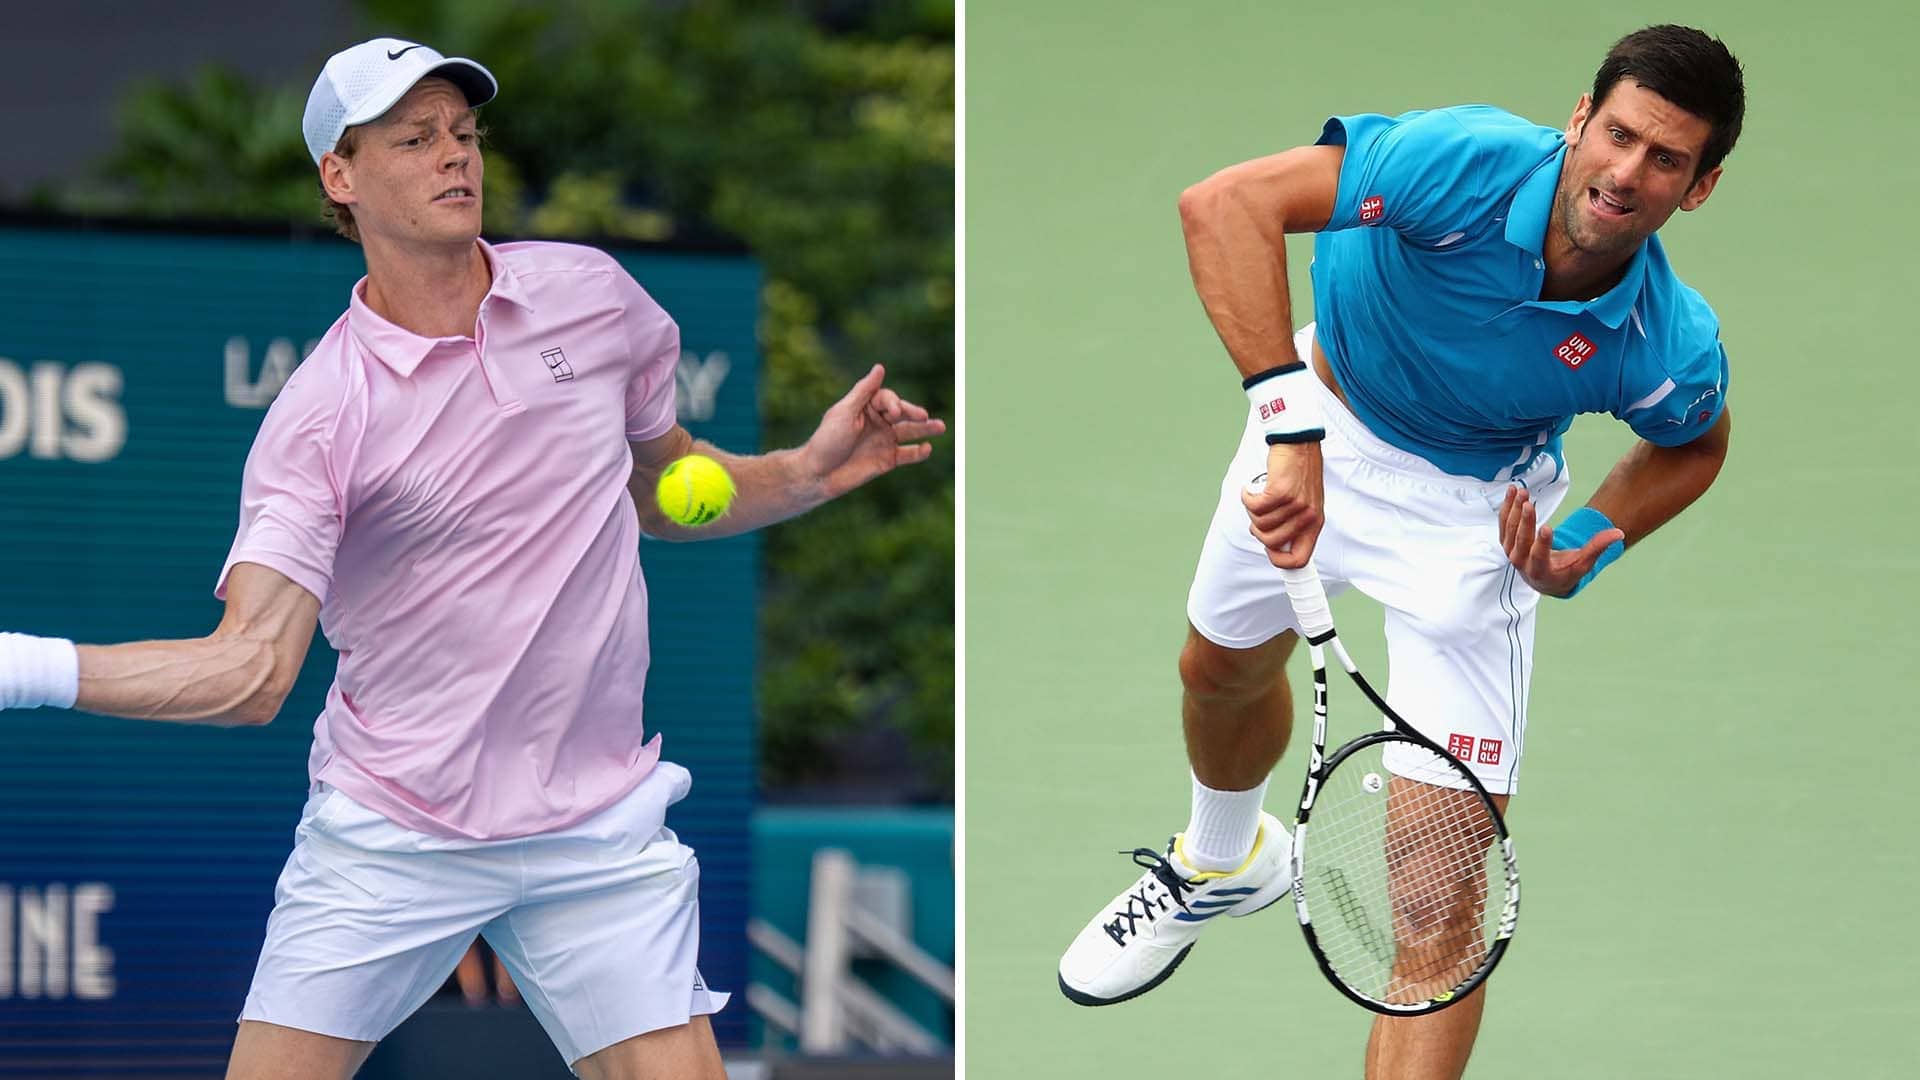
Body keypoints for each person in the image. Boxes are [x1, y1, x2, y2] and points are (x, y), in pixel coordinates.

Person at [0, 37, 944, 1080]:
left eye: (464, 132)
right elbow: (250, 674)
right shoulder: (322, 417)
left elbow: (663, 486)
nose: (454, 156)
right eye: (414, 138)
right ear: (341, 177)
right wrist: (23, 667)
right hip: (395, 829)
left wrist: (803, 471)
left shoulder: (593, 300)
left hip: (596, 826)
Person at [1058, 24, 1741, 1080]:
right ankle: (1224, 853)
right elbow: (1225, 205)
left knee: (1439, 910)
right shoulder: (1459, 161)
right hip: (1315, 419)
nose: (1625, 174)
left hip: (1475, 530)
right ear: (1580, 119)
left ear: (1698, 189)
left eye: (1666, 161)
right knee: (1220, 672)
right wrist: (1290, 434)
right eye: (1617, 135)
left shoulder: (1662, 339)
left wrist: (1584, 544)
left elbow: (1693, 443)